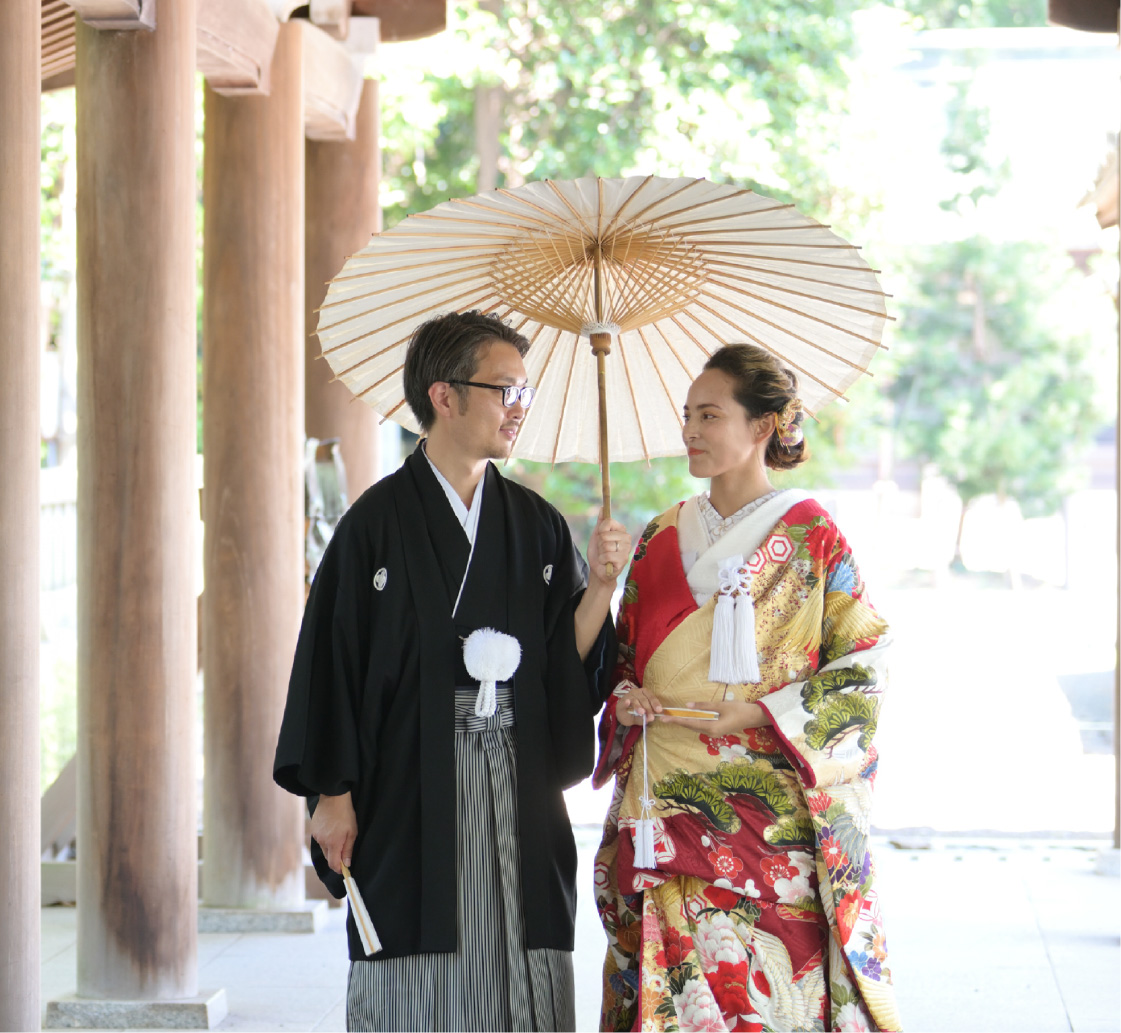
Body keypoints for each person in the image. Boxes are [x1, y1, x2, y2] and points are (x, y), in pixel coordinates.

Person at [274, 310, 630, 1031]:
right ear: (444, 396)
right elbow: (331, 661)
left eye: (524, 391)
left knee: (517, 955)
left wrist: (598, 588)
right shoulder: (371, 525)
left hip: (516, 779)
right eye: (505, 389)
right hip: (408, 783)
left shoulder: (536, 523)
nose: (518, 408)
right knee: (416, 961)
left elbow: (563, 664)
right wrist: (332, 794)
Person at [591, 343, 899, 1032]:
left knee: (771, 995)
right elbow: (620, 656)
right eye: (686, 415)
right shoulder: (659, 534)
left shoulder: (812, 534)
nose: (690, 431)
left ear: (762, 425)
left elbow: (863, 661)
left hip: (768, 817)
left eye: (709, 414)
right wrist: (627, 693)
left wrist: (758, 710)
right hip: (666, 800)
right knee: (677, 999)